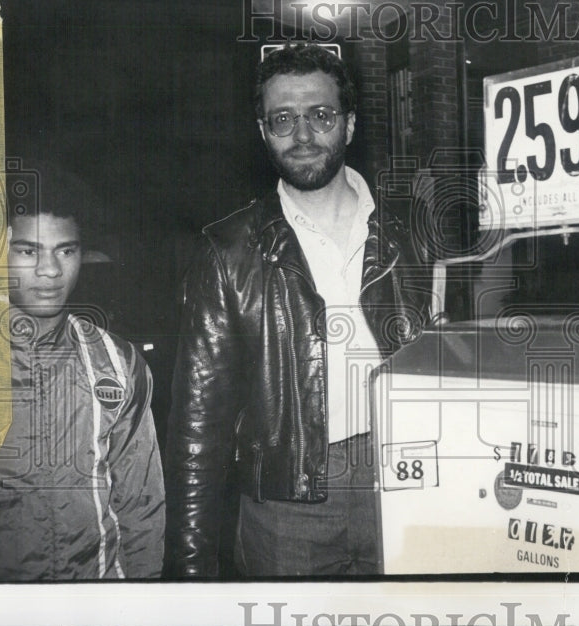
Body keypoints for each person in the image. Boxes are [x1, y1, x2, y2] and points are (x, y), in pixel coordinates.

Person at [165, 44, 428, 578]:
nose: (303, 135)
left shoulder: (410, 234)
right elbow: (198, 425)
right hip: (286, 506)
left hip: (407, 481)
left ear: (349, 126)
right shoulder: (229, 250)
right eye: (283, 119)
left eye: (321, 116)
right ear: (263, 131)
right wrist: (189, 568)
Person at [0, 161, 165, 581]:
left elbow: (141, 505)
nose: (50, 271)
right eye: (29, 251)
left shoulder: (118, 363)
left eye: (65, 251)